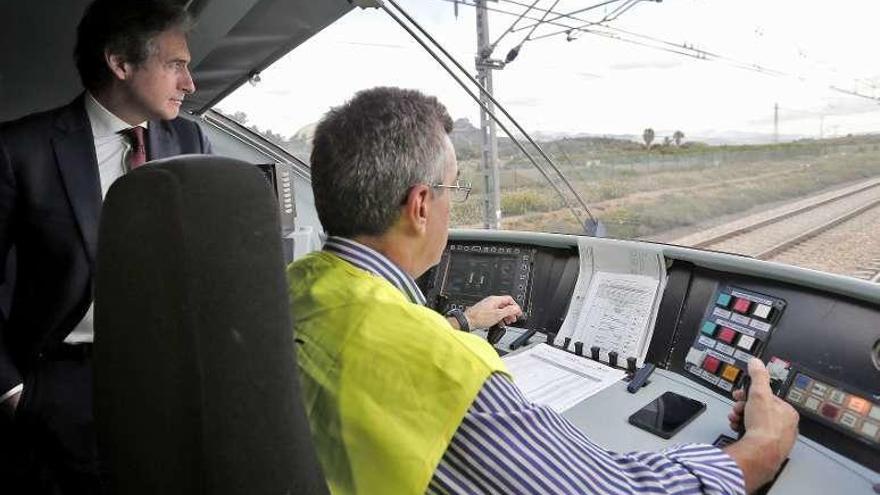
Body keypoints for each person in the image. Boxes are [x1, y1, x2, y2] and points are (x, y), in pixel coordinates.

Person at [288, 86, 799, 495]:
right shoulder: (444, 369)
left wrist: (464, 323)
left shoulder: (292, 290)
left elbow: (360, 346)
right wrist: (761, 447)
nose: (452, 206)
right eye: (453, 189)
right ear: (421, 205)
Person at [0, 0, 212, 492]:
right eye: (176, 65)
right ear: (120, 63)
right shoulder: (19, 151)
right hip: (54, 381)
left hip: (159, 379)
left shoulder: (190, 141)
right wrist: (13, 392)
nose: (190, 83)